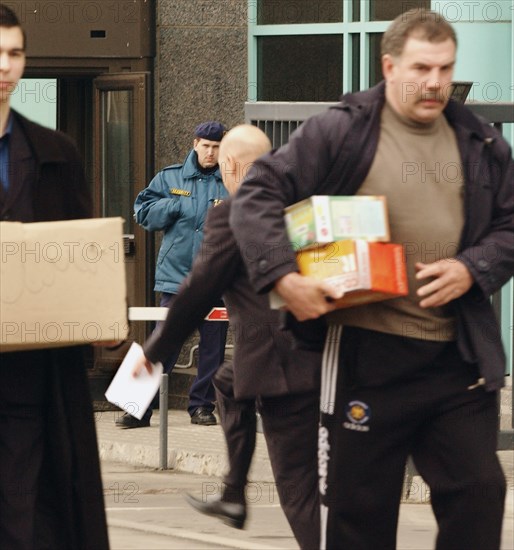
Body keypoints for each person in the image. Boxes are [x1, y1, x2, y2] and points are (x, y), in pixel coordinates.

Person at [230, 9, 513, 550]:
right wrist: (284, 276)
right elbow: (259, 192)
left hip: (455, 359)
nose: (435, 82)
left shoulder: (480, 143)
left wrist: (472, 267)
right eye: (421, 68)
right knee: (359, 517)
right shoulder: (343, 131)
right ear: (388, 65)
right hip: (366, 357)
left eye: (445, 69)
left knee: (479, 493)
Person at [133, 125, 321, 549]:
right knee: (226, 381)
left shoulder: (235, 212)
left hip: (282, 367)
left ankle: (243, 499)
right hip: (317, 351)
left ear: (229, 164)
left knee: (297, 486)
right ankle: (234, 493)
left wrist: (157, 351)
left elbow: (198, 291)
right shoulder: (299, 205)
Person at [0, 5, 109, 549]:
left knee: (29, 514)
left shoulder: (56, 154)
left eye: (15, 53)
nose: (5, 66)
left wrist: (101, 317)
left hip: (32, 376)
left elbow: (83, 258)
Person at [118, 121, 230, 428]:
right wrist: (172, 206)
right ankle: (136, 406)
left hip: (217, 281)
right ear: (195, 144)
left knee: (212, 349)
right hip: (176, 278)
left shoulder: (233, 182)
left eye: (217, 146)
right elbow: (142, 212)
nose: (211, 152)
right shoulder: (170, 177)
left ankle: (201, 406)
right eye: (206, 145)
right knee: (161, 342)